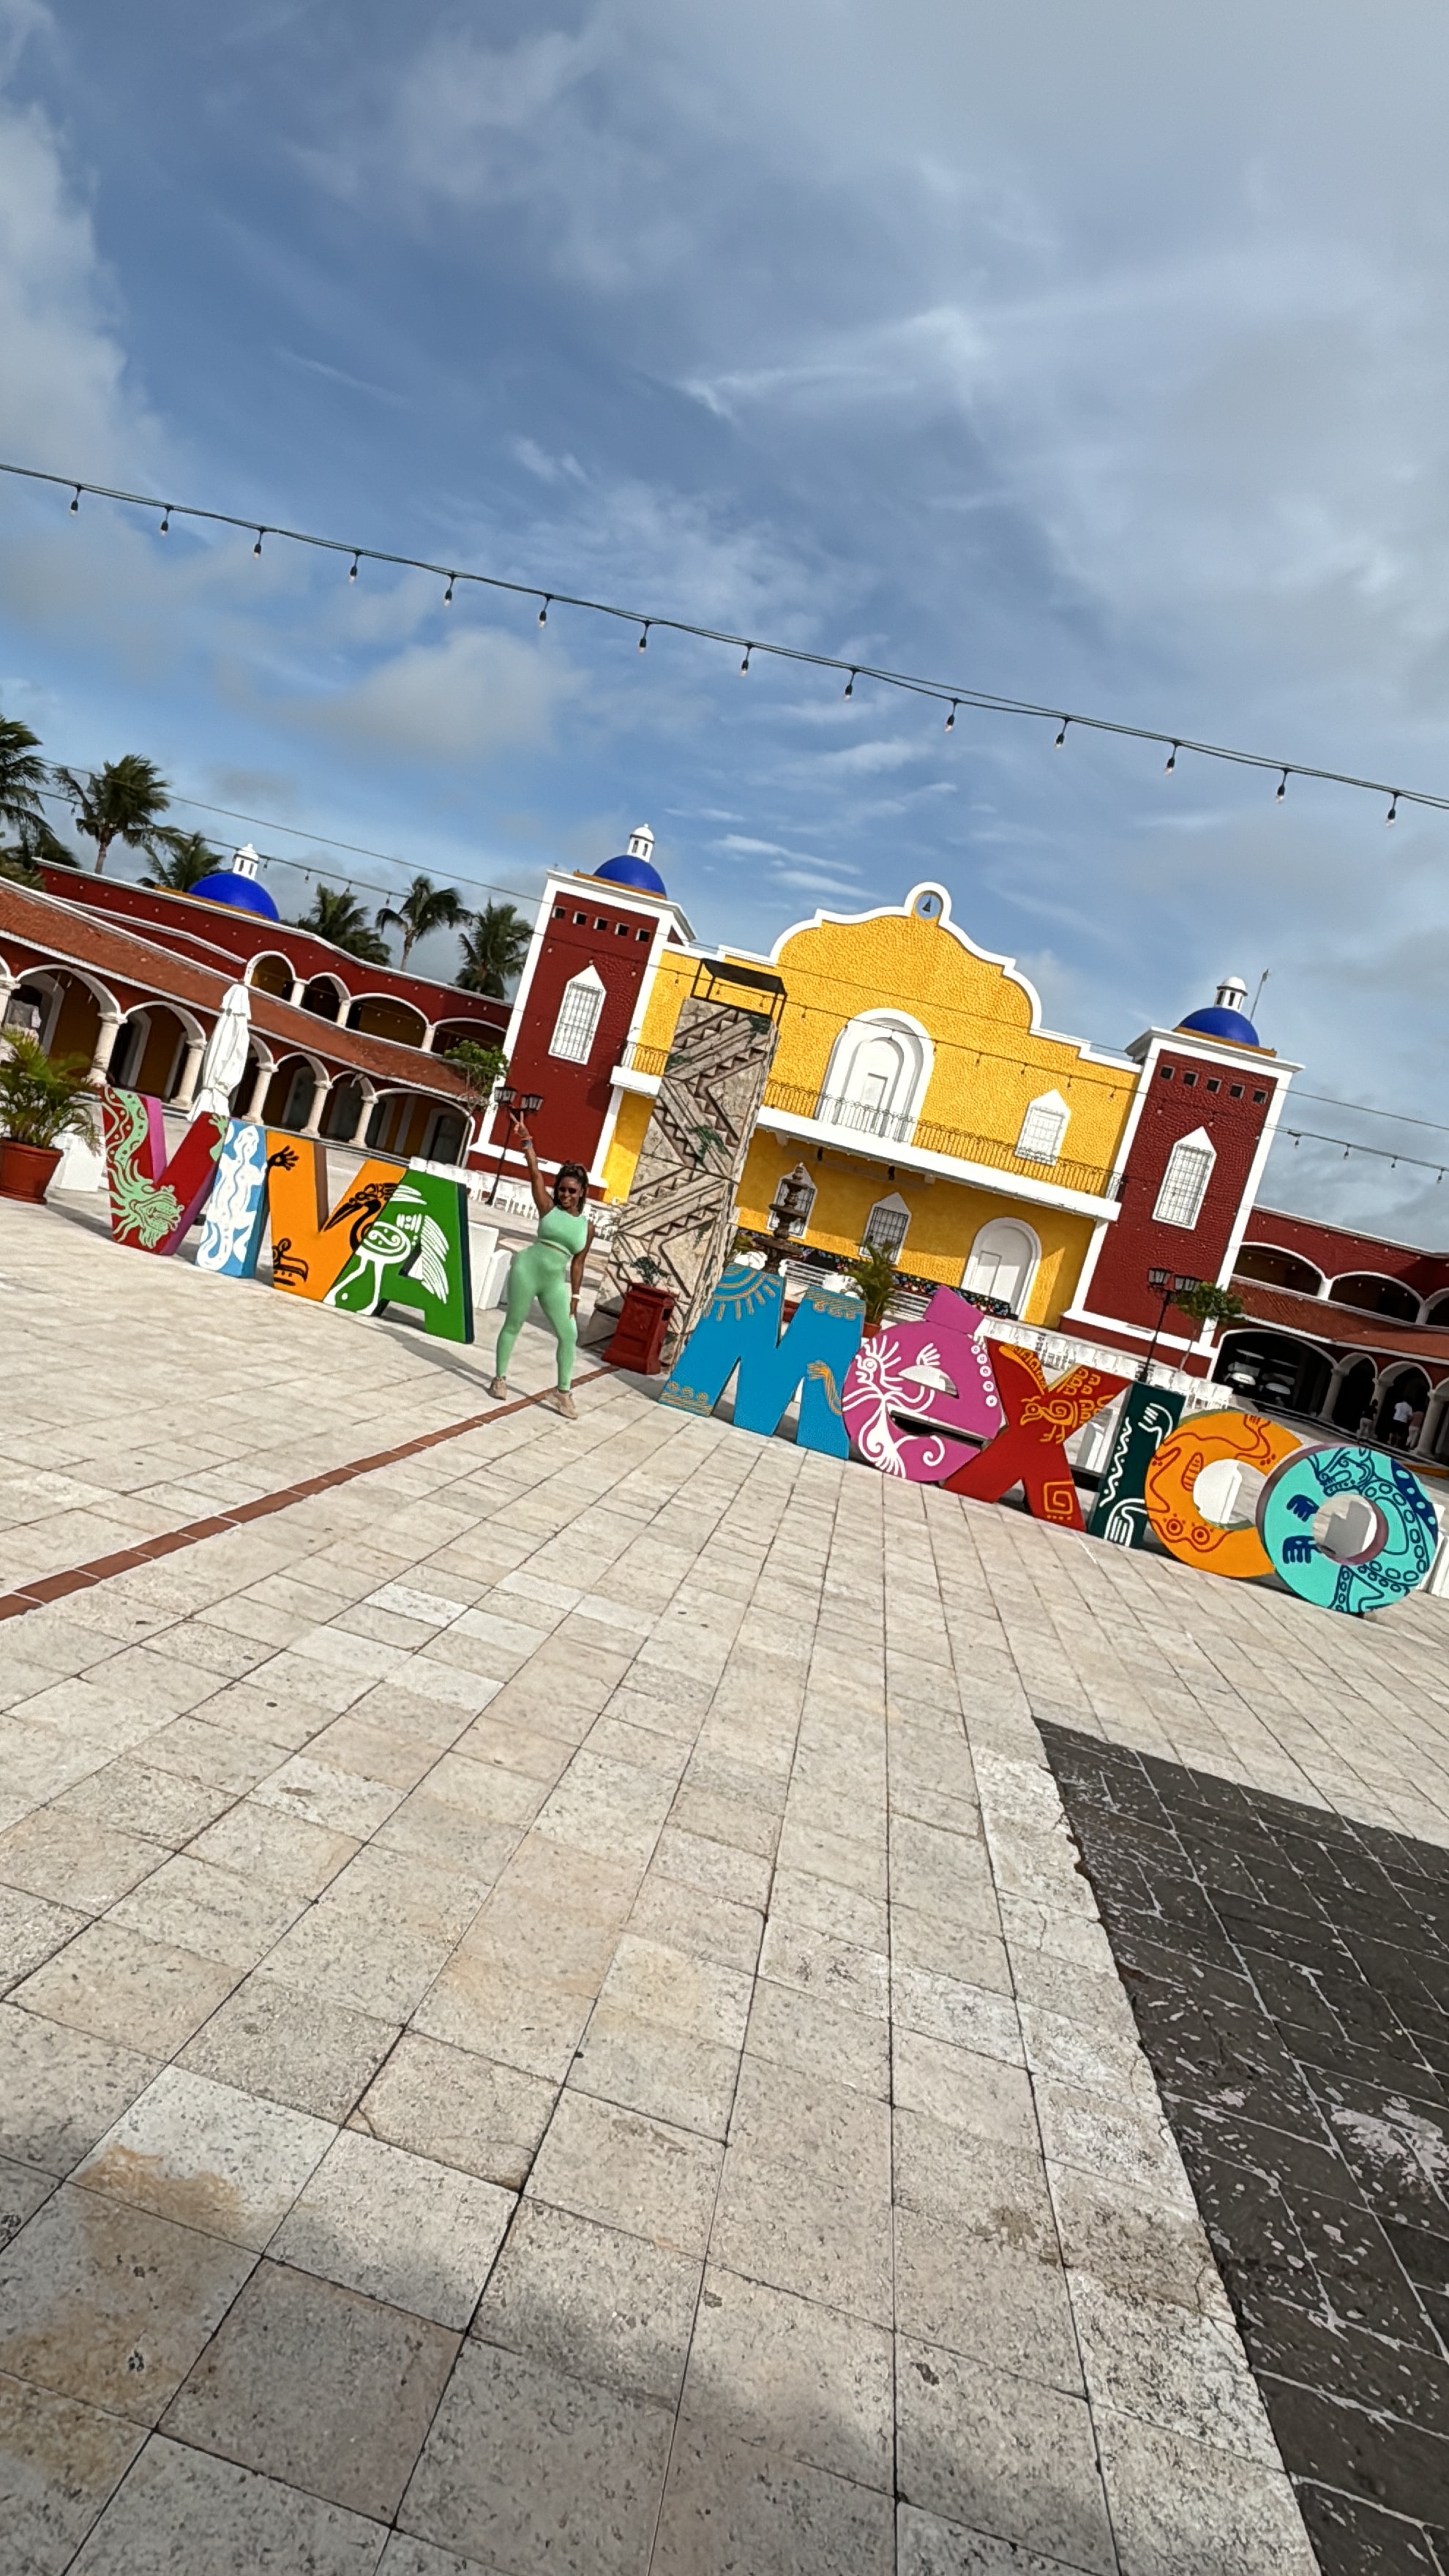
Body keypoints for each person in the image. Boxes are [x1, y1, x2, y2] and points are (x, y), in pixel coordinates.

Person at [490, 1123, 594, 1420]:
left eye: (572, 1191)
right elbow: (535, 1173)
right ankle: (500, 1378)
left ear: (582, 1192)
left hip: (553, 1282)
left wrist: (575, 1295)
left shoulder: (587, 1227)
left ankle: (563, 1393)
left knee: (568, 1334)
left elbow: (578, 1262)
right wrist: (527, 1141)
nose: (566, 1195)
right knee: (514, 1323)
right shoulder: (548, 1208)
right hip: (527, 1268)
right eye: (562, 1189)